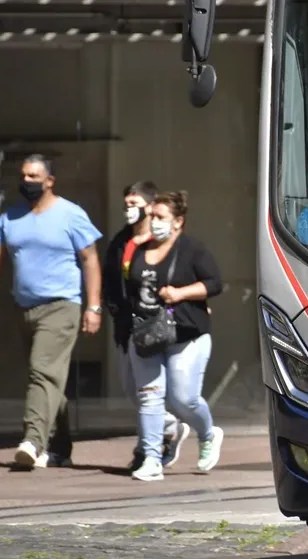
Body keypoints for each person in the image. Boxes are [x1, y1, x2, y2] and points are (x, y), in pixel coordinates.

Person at [0, 154, 103, 469]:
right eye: (23, 176)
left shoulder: (71, 215)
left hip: (61, 306)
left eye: (33, 177)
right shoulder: (11, 217)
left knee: (41, 371)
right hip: (25, 309)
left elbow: (90, 260)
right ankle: (60, 447)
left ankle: (32, 441)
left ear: (50, 181)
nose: (26, 182)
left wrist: (93, 306)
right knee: (50, 378)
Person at [126, 190, 224, 481]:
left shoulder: (191, 249)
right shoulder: (138, 248)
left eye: (160, 217)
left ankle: (207, 434)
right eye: (152, 215)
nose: (154, 221)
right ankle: (152, 458)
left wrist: (180, 293)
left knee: (183, 399)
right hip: (146, 334)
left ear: (178, 221)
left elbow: (215, 283)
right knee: (150, 397)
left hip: (186, 333)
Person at [103, 181, 190, 473]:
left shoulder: (160, 243)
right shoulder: (121, 242)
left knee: (149, 392)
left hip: (156, 327)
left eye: (135, 203)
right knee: (131, 387)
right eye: (126, 204)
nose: (130, 209)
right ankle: (167, 427)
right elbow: (111, 279)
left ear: (150, 206)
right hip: (126, 326)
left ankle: (148, 451)